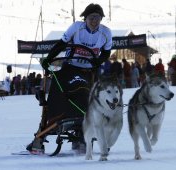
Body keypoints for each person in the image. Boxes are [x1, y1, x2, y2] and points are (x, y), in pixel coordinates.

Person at [26, 3, 112, 154]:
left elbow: (106, 53)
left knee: (90, 97)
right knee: (60, 89)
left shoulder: (105, 33)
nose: (94, 21)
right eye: (91, 17)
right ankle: (49, 125)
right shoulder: (76, 27)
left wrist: (97, 62)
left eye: (98, 18)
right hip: (70, 67)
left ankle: (82, 135)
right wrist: (49, 58)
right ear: (85, 18)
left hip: (89, 71)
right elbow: (61, 44)